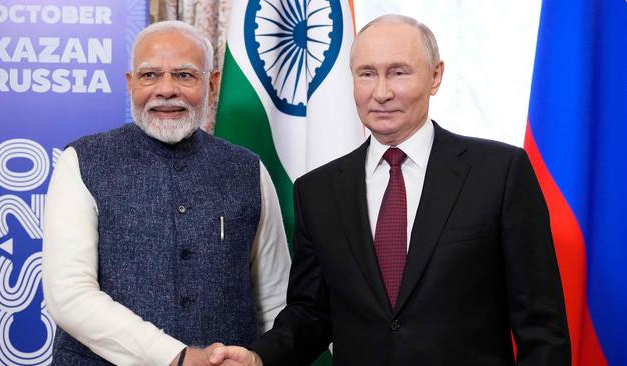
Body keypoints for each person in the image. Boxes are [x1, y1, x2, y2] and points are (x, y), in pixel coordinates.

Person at [208, 14, 571, 366]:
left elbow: (541, 326)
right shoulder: (317, 192)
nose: (381, 92)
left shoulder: (499, 172)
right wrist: (259, 358)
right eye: (367, 74)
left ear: (435, 76)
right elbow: (312, 313)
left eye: (398, 72)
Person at [42, 20, 291, 366]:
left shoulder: (248, 170)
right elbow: (68, 294)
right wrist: (176, 357)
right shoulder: (81, 162)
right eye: (149, 75)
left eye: (185, 75)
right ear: (131, 84)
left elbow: (276, 298)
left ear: (213, 84)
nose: (166, 89)